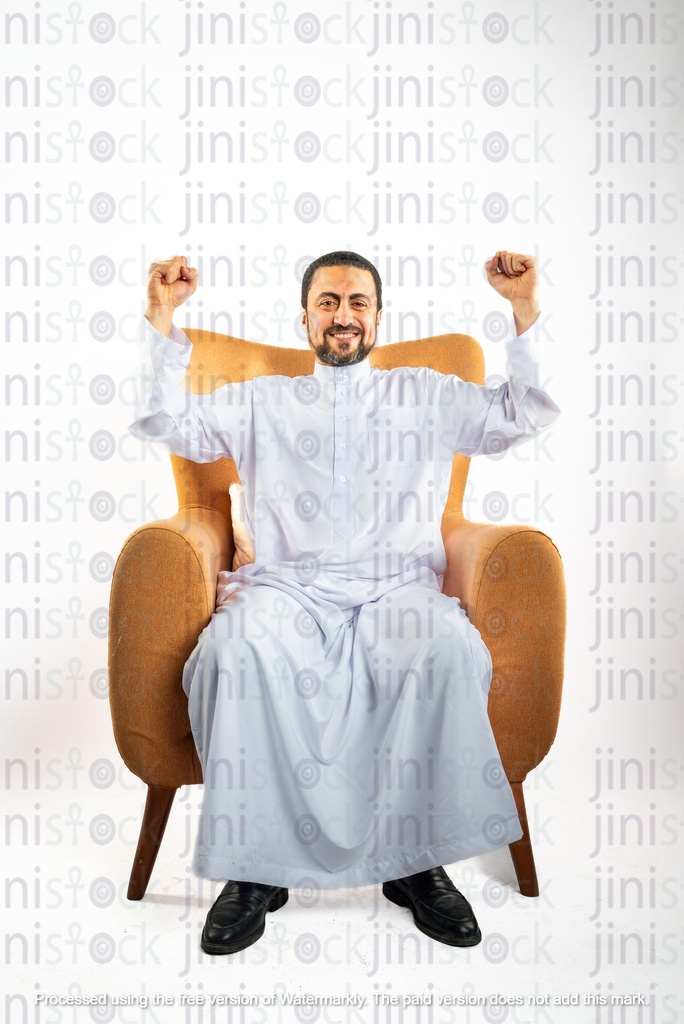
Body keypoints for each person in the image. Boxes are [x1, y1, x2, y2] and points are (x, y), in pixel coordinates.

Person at [131, 249, 559, 955]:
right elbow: (162, 422)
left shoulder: (424, 391)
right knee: (232, 652)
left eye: (358, 302)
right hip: (285, 589)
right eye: (328, 302)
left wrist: (521, 308)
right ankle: (252, 870)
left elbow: (525, 414)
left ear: (378, 318)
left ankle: (418, 865)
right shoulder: (260, 400)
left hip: (398, 592)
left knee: (449, 648)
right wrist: (162, 318)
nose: (343, 316)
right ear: (304, 318)